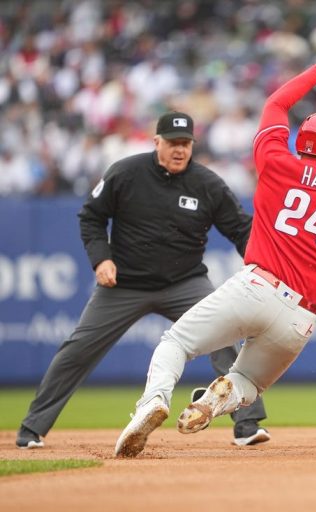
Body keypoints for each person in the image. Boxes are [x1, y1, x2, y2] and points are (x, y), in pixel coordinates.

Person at [115, 35, 316, 457]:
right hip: (301, 318)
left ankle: (152, 403)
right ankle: (212, 402)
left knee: (175, 344)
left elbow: (276, 104)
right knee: (248, 382)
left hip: (257, 286)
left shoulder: (275, 160)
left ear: (301, 142)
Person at [16, 111, 270, 450]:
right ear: (157, 143)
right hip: (124, 284)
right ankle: (32, 428)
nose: (180, 150)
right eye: (173, 143)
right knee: (78, 349)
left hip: (185, 282)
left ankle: (247, 425)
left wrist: (266, 265)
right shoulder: (126, 172)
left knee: (224, 338)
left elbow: (242, 230)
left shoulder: (208, 184)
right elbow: (91, 215)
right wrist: (101, 258)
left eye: (186, 143)